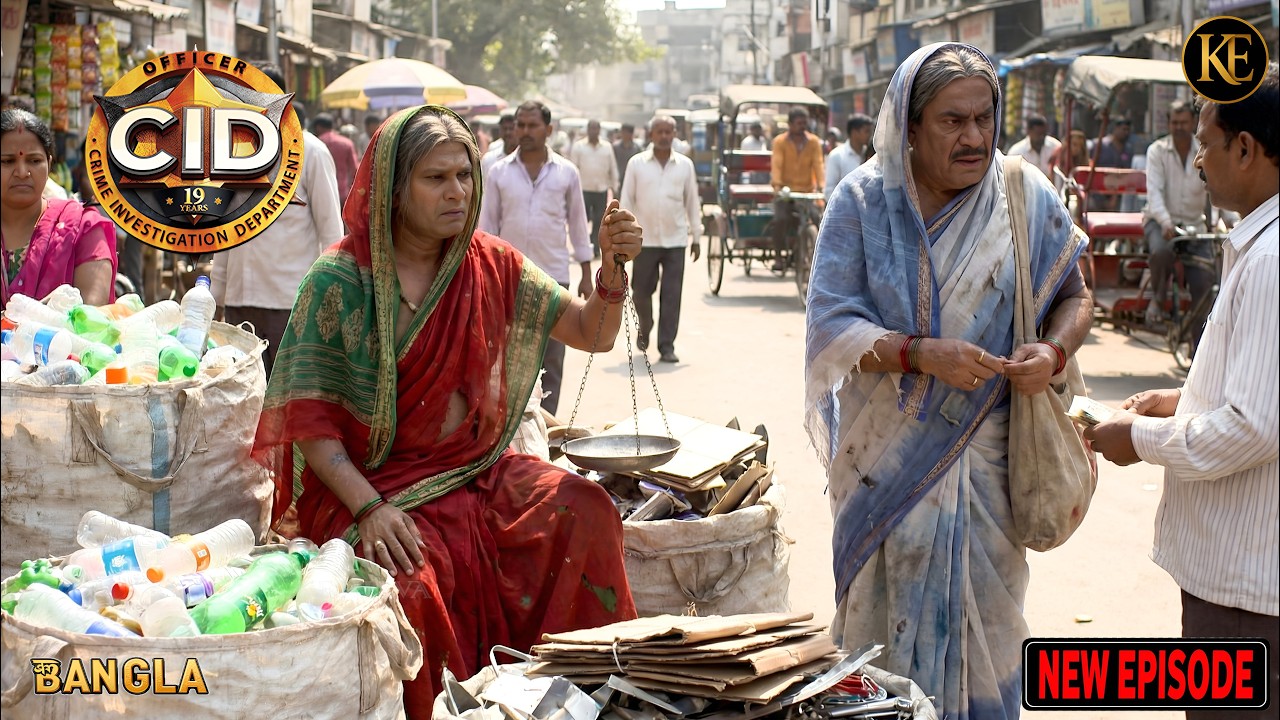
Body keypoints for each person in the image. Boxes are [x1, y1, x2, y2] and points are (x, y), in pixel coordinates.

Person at [252, 105, 641, 718]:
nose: (458, 191)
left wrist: (613, 275)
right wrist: (371, 510)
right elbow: (313, 429)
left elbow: (590, 331)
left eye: (465, 174)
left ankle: (588, 696)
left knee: (584, 509)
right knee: (410, 587)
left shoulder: (491, 263)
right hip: (374, 491)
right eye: (436, 179)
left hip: (475, 472)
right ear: (393, 187)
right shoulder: (338, 282)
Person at [805, 43, 1093, 719]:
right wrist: (918, 354)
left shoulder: (1023, 195)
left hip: (990, 472)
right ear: (909, 126)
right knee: (880, 659)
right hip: (883, 472)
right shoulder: (863, 202)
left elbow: (1077, 297)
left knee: (989, 648)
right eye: (951, 121)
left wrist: (1050, 355)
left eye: (984, 118)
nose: (974, 138)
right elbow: (828, 323)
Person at [1084, 66, 1279, 720]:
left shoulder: (1273, 258)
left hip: (1246, 591)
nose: (1197, 158)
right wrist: (1179, 401)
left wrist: (1140, 440)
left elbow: (1254, 426)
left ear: (1247, 150)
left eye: (1207, 142)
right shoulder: (1254, 244)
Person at [211, 69, 344, 377]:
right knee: (246, 399)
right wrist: (214, 298)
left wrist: (331, 300)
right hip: (239, 304)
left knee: (288, 402)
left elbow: (332, 233)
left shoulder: (311, 152)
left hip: (290, 303)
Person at [479, 100, 593, 415]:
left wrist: (586, 271)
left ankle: (549, 424)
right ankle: (516, 426)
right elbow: (486, 228)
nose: (525, 132)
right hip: (508, 278)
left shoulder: (567, 173)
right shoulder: (498, 172)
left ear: (549, 130)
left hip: (555, 274)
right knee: (509, 356)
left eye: (532, 125)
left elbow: (578, 225)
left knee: (553, 356)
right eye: (521, 125)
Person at [1, 108, 117, 308]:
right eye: (7, 161)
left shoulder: (84, 229)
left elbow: (89, 319)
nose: (22, 172)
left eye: (34, 161)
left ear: (49, 164)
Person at [621, 115, 701, 364]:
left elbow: (692, 201)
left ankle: (667, 346)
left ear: (674, 134)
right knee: (640, 292)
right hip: (645, 241)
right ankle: (645, 325)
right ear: (651, 134)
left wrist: (696, 236)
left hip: (675, 240)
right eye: (660, 132)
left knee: (671, 295)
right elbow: (626, 201)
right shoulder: (636, 164)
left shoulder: (685, 165)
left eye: (669, 132)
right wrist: (623, 238)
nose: (665, 136)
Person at [1141, 101, 1212, 329]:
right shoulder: (1157, 151)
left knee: (1206, 279)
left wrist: (1229, 221)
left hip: (1194, 225)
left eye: (1184, 122)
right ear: (1168, 124)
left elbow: (1216, 187)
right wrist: (1166, 222)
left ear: (1193, 122)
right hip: (1160, 221)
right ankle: (1159, 298)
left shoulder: (1206, 149)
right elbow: (1155, 192)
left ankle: (1197, 339)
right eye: (1175, 122)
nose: (1179, 127)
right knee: (1160, 251)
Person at [770, 107, 824, 272]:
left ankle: (820, 260)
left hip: (807, 192)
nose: (802, 127)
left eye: (804, 123)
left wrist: (822, 186)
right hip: (786, 193)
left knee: (819, 219)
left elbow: (818, 164)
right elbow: (777, 165)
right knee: (780, 219)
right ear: (790, 124)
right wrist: (777, 186)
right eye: (799, 123)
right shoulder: (780, 142)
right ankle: (778, 257)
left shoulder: (814, 142)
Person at [568, 120, 619, 258]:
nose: (593, 131)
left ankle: (595, 247)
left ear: (599, 130)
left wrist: (615, 186)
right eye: (591, 128)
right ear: (588, 130)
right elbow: (573, 169)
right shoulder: (579, 147)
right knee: (583, 220)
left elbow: (612, 167)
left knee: (599, 220)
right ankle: (583, 248)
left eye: (596, 129)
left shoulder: (607, 147)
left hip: (601, 190)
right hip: (583, 190)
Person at [312, 112, 360, 204]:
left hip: (321, 193)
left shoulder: (316, 143)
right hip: (343, 192)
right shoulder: (347, 143)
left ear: (318, 127)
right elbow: (354, 169)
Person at [824, 113, 874, 200]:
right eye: (866, 131)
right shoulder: (837, 156)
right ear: (854, 132)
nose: (870, 135)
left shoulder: (871, 155)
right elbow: (829, 191)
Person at [1006, 114, 1061, 179]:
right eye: (1038, 134)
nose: (1042, 137)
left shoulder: (1055, 147)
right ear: (1028, 131)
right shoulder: (1016, 153)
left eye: (1044, 134)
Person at [613, 122, 643, 195]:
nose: (623, 134)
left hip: (632, 178)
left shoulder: (637, 148)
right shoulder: (615, 147)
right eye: (622, 132)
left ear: (631, 134)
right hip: (619, 179)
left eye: (626, 132)